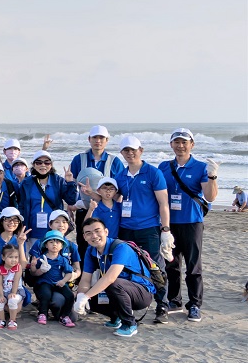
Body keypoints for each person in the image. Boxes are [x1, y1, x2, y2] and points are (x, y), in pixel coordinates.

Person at [157, 128, 218, 322]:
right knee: (171, 265)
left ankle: (194, 305)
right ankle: (174, 301)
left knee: (193, 266)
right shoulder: (164, 167)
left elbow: (210, 197)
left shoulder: (200, 167)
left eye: (184, 142)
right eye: (177, 142)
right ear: (171, 145)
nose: (180, 145)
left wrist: (213, 177)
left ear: (192, 144)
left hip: (192, 223)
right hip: (169, 223)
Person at [113, 135, 171, 323]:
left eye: (133, 150)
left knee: (155, 266)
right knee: (127, 267)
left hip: (149, 228)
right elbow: (112, 198)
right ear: (122, 153)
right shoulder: (120, 176)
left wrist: (165, 229)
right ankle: (130, 302)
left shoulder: (153, 173)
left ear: (141, 150)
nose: (130, 153)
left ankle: (162, 305)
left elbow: (163, 203)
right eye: (126, 150)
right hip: (126, 229)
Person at [75, 217, 157, 338]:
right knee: (83, 296)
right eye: (89, 233)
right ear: (84, 237)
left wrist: (87, 296)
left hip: (141, 293)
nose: (94, 235)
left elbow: (110, 278)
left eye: (98, 231)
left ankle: (130, 324)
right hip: (119, 290)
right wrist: (81, 296)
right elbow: (85, 279)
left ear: (106, 232)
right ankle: (116, 317)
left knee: (112, 284)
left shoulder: (120, 247)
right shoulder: (90, 250)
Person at [69, 125, 126, 258]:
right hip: (85, 210)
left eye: (101, 138)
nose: (98, 141)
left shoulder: (115, 161)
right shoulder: (79, 159)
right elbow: (72, 186)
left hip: (106, 212)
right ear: (89, 139)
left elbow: (120, 191)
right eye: (95, 137)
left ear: (107, 140)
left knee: (107, 246)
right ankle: (85, 277)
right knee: (84, 246)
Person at [18, 150, 78, 250]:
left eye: (47, 162)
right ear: (33, 164)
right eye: (39, 162)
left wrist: (70, 183)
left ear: (51, 165)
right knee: (34, 262)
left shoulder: (58, 181)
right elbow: (22, 206)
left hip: (54, 229)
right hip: (32, 230)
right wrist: (21, 227)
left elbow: (71, 200)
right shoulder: (26, 183)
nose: (43, 165)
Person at [30, 229, 76, 327]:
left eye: (58, 242)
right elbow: (34, 273)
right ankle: (42, 314)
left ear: (61, 246)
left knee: (70, 296)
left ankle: (65, 316)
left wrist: (63, 281)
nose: (54, 244)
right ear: (46, 245)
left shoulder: (63, 259)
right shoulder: (41, 258)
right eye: (51, 242)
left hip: (58, 282)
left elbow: (69, 273)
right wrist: (33, 266)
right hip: (45, 282)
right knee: (46, 294)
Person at [0, 244, 26, 330]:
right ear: (3, 258)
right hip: (4, 291)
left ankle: (12, 320)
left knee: (12, 300)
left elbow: (16, 281)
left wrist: (13, 292)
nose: (14, 260)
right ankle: (2, 320)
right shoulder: (0, 269)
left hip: (17, 290)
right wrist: (0, 295)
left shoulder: (18, 267)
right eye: (11, 257)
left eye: (16, 257)